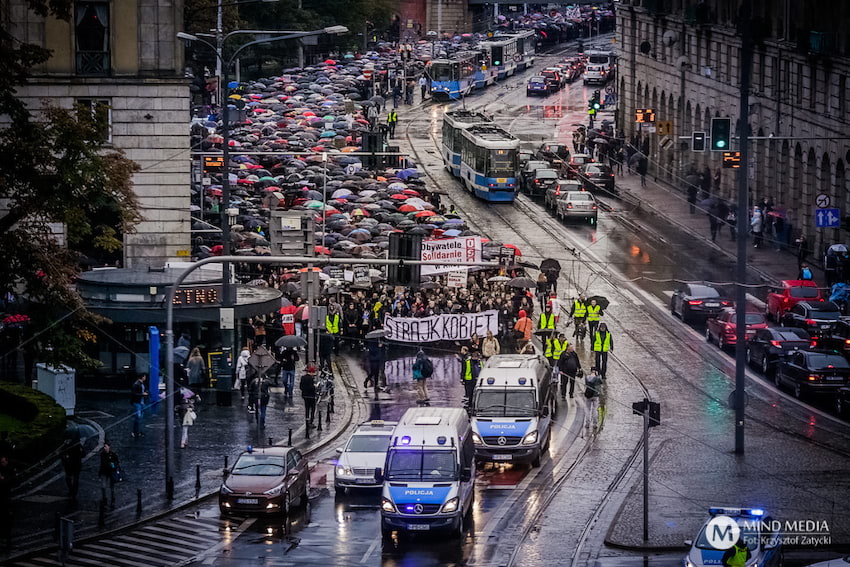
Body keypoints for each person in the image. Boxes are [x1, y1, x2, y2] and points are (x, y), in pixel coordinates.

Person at [583, 367, 604, 431]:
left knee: (587, 409)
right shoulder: (597, 378)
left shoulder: (587, 377)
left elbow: (586, 384)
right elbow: (601, 382)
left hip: (588, 395)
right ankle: (595, 424)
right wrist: (598, 375)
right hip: (595, 395)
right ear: (596, 371)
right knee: (595, 409)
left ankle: (587, 423)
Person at [0, 456, 13, 549]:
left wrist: (3, 479)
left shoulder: (9, 470)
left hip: (6, 497)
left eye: (3, 462)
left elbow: (10, 481)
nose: (2, 464)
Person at [130, 374, 149, 439]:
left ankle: (138, 431)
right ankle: (135, 431)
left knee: (140, 418)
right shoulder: (136, 384)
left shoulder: (141, 384)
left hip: (141, 402)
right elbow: (134, 394)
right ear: (142, 377)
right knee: (138, 417)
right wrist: (142, 394)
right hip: (137, 403)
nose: (145, 378)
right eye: (145, 376)